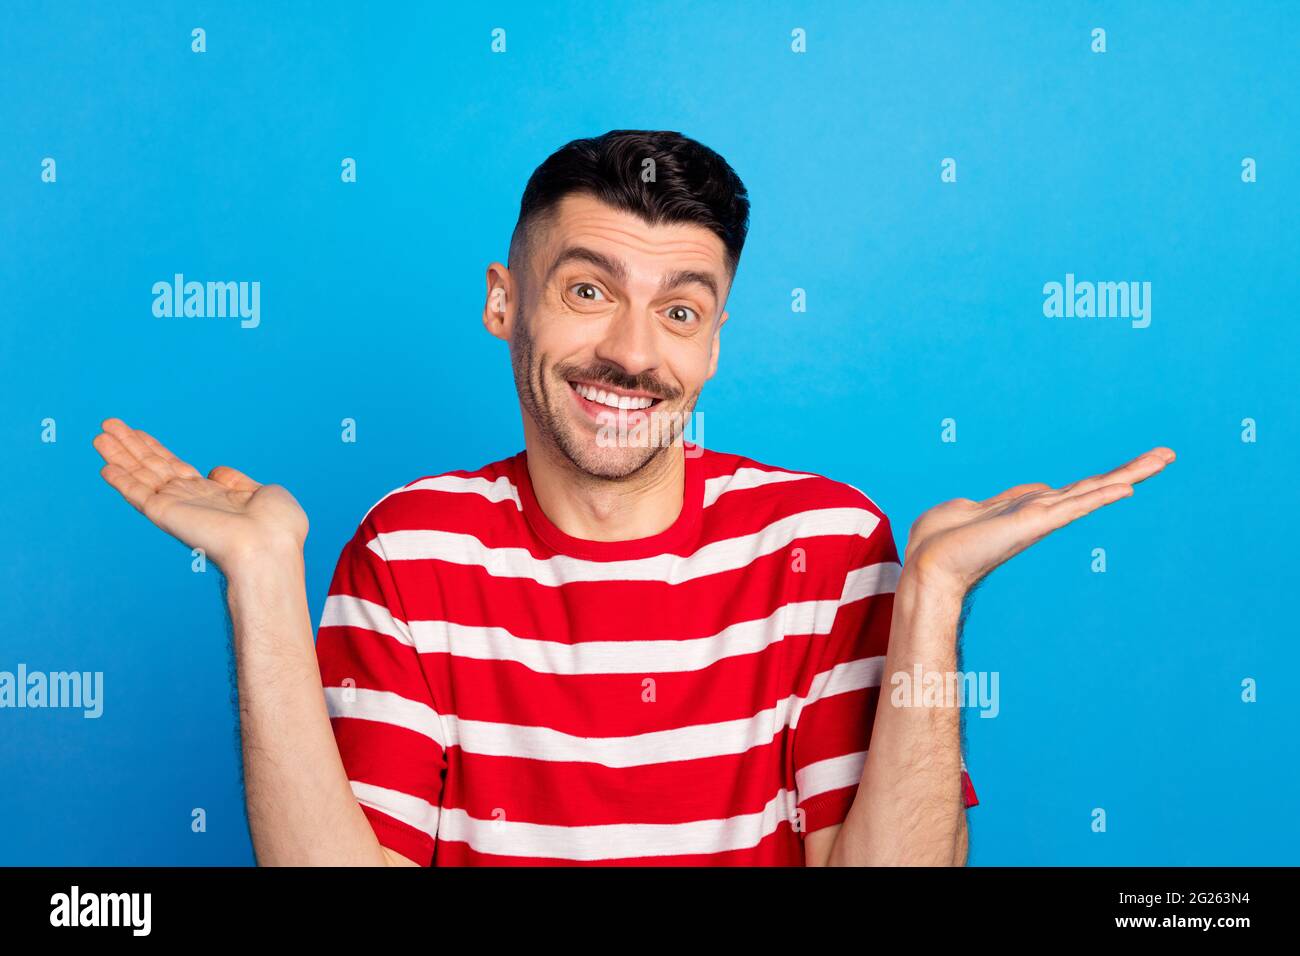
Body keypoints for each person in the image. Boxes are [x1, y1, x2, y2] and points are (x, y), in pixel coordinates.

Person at [93, 129, 1174, 866]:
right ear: (504, 304)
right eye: (588, 290)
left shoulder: (829, 544)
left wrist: (932, 598)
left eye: (681, 311)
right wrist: (262, 583)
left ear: (715, 344)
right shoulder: (411, 550)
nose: (632, 352)